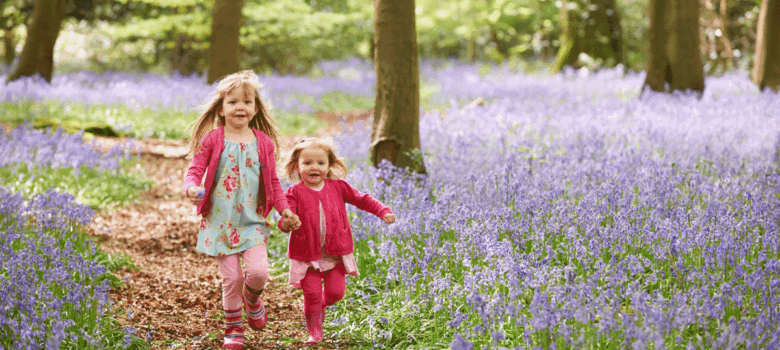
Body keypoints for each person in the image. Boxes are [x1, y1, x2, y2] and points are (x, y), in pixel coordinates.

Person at [182, 70, 301, 350]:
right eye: (233, 102)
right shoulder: (213, 139)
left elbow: (272, 181)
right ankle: (234, 327)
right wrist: (191, 187)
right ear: (221, 109)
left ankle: (253, 299)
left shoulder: (263, 143)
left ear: (256, 108)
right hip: (219, 221)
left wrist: (284, 210)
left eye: (247, 102)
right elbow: (195, 169)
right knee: (232, 278)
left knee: (258, 273)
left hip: (252, 220)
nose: (240, 107)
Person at [278, 137, 396, 345]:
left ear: (329, 165)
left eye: (320, 163)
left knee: (335, 293)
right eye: (307, 163)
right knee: (312, 295)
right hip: (308, 255)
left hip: (336, 254)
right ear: (297, 166)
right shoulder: (294, 193)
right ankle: (315, 332)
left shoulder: (338, 187)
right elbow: (286, 218)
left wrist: (382, 210)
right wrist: (289, 223)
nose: (314, 167)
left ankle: (321, 305)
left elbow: (362, 199)